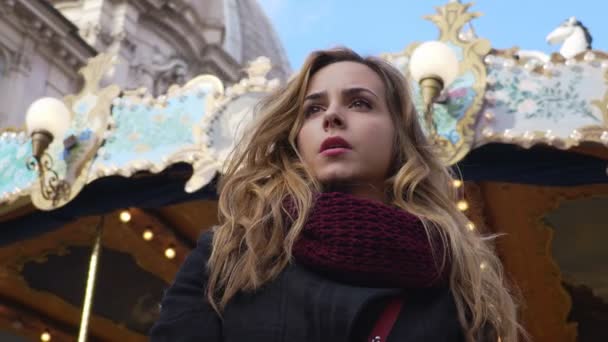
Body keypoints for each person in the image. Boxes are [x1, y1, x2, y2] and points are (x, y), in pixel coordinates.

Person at [149, 48, 523, 342]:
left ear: (399, 136)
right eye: (313, 109)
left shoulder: (456, 283)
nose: (332, 117)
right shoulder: (228, 255)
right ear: (295, 138)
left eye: (359, 102)